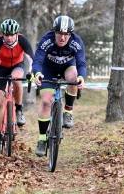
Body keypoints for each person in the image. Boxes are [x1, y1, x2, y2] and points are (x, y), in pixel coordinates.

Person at [32, 15, 86, 157]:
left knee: (73, 78)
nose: (62, 38)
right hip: (48, 70)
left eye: (66, 35)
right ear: (54, 32)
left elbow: (81, 63)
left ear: (70, 34)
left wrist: (81, 77)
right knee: (45, 101)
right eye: (59, 34)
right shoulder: (46, 40)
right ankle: (42, 139)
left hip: (67, 68)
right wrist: (37, 73)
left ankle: (68, 111)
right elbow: (37, 60)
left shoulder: (76, 42)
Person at [0, 19, 34, 154]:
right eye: (6, 35)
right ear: (3, 34)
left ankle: (18, 109)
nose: (9, 38)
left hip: (17, 65)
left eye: (12, 35)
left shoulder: (23, 41)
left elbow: (32, 60)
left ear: (17, 33)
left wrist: (31, 73)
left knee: (17, 80)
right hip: (0, 69)